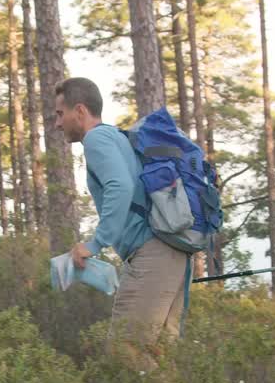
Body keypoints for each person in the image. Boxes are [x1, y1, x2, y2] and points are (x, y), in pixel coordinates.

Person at [54, 77, 190, 361]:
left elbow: (120, 186)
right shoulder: (116, 137)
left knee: (124, 352)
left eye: (59, 113)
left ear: (79, 110)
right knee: (158, 357)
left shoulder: (96, 139)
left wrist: (95, 244)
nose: (57, 123)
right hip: (170, 252)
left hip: (153, 253)